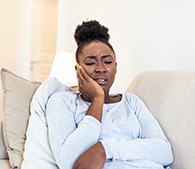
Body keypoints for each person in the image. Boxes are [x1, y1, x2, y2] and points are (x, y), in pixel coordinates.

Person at [45, 20, 173, 169]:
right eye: (91, 63)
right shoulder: (62, 101)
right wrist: (97, 100)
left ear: (115, 67)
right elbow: (68, 161)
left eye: (107, 61)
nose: (101, 68)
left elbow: (164, 152)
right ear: (78, 69)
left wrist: (106, 149)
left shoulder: (132, 101)